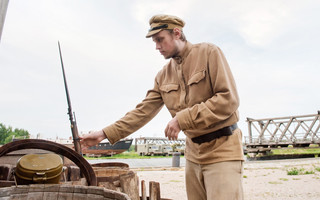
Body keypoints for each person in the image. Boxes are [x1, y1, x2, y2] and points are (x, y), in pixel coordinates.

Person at [80, 14, 245, 200]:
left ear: (176, 33)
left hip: (223, 149)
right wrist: (103, 134)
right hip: (193, 154)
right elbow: (142, 112)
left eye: (160, 40)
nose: (157, 46)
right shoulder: (162, 76)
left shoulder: (209, 53)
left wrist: (182, 119)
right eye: (154, 42)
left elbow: (228, 100)